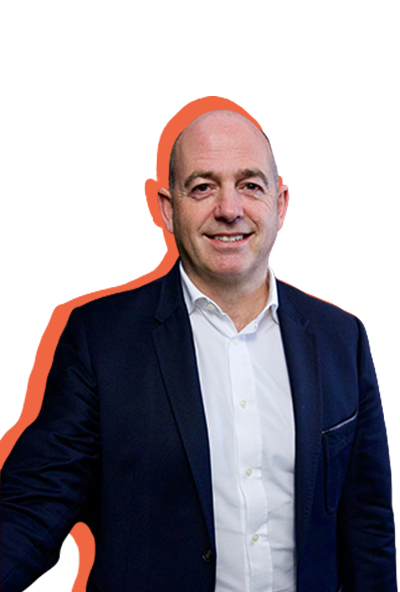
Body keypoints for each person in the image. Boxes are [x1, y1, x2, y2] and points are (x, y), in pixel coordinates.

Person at [0, 109, 396, 592]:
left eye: (250, 185)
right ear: (168, 208)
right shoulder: (99, 339)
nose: (229, 209)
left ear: (280, 203)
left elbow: (368, 529)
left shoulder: (341, 338)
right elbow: (32, 509)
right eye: (203, 187)